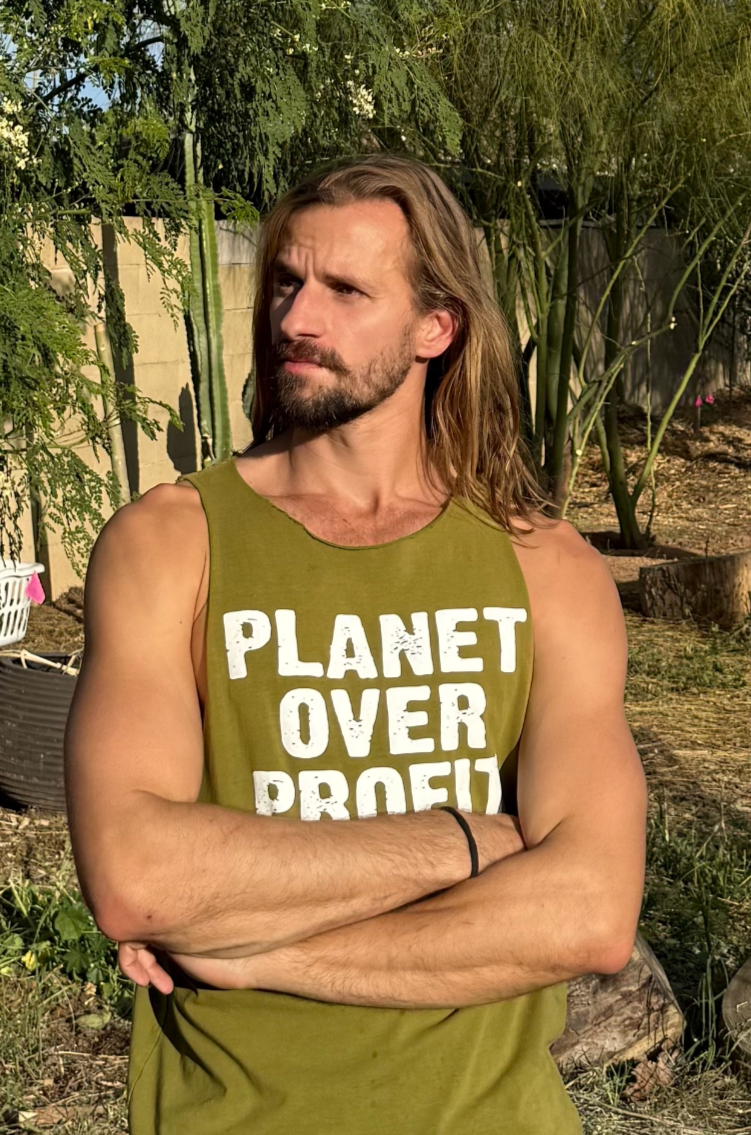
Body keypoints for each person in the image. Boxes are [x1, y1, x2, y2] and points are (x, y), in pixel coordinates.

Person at [64, 155, 647, 1135]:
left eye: (344, 290)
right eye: (288, 281)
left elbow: (587, 912)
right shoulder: (172, 544)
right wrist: (470, 842)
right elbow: (138, 877)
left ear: (437, 325)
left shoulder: (546, 570)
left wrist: (251, 950)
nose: (296, 318)